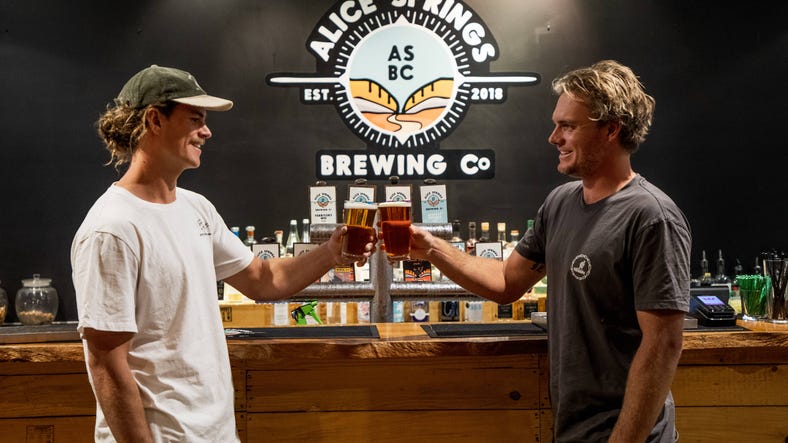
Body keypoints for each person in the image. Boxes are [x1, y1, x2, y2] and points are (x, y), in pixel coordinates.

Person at [70, 65, 375, 442]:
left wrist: (332, 253)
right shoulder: (112, 228)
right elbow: (105, 365)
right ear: (154, 119)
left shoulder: (196, 209)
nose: (207, 131)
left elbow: (264, 279)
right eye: (195, 119)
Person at [409, 60, 691, 442]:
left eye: (568, 126)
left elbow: (663, 345)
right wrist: (432, 249)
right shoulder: (560, 203)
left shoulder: (651, 216)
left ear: (611, 129)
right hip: (573, 429)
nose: (553, 137)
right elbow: (507, 282)